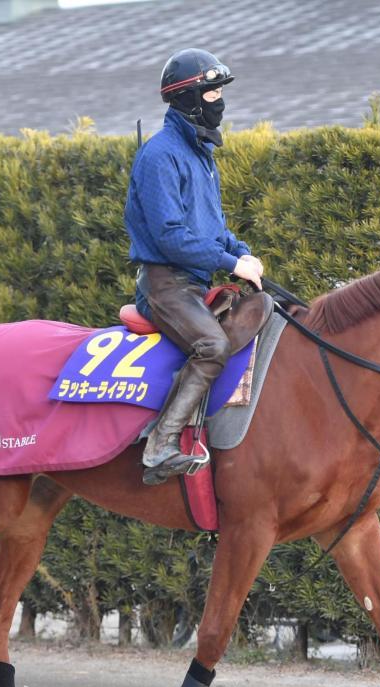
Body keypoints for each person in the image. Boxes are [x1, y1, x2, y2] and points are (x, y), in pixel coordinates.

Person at [125, 48, 264, 485]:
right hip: (164, 286)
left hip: (194, 280)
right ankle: (159, 445)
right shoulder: (159, 156)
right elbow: (170, 236)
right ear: (187, 99)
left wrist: (240, 253)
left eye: (220, 91)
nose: (219, 101)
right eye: (212, 93)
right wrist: (228, 262)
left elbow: (213, 229)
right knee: (213, 347)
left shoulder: (202, 155)